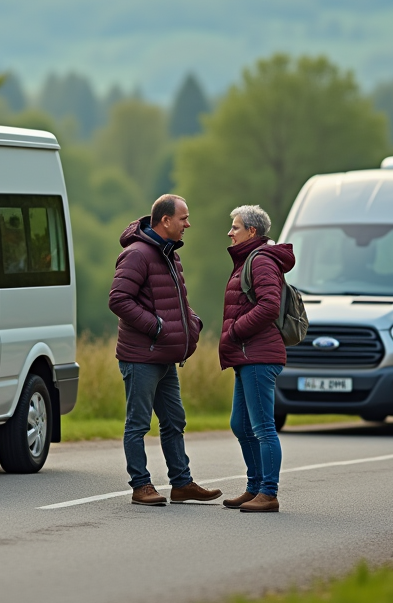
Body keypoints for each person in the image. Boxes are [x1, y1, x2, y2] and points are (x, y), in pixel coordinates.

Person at [109, 194, 222, 507]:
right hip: (141, 357)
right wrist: (156, 327)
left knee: (174, 421)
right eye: (183, 218)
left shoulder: (169, 254)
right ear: (165, 220)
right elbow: (118, 299)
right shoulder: (137, 254)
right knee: (138, 424)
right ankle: (141, 486)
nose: (188, 224)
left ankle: (182, 484)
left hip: (164, 356)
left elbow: (174, 301)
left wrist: (192, 322)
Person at [219, 204, 294, 513]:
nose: (230, 232)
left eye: (235, 227)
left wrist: (236, 331)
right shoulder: (248, 260)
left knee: (263, 426)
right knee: (240, 424)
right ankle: (254, 487)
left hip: (258, 355)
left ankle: (268, 492)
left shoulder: (260, 260)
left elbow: (269, 306)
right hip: (247, 354)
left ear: (252, 231)